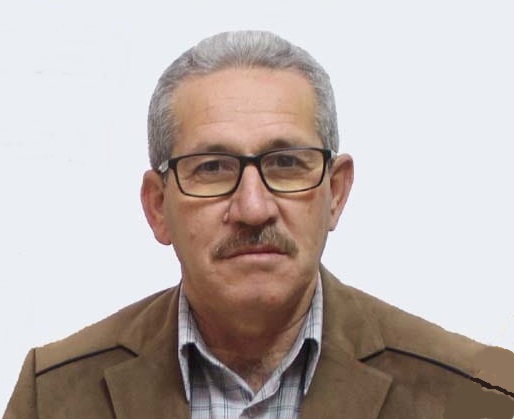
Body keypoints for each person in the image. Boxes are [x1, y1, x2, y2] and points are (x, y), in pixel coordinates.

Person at [3, 30, 514, 419]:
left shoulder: (475, 394)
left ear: (335, 193)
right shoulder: (54, 396)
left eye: (286, 164)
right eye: (212, 168)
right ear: (158, 207)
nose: (253, 208)